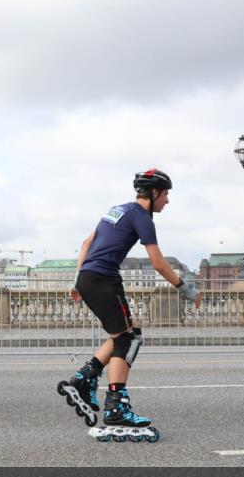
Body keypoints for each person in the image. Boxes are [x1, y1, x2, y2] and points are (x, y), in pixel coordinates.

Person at [57, 169, 201, 440]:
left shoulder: (116, 210)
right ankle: (115, 408)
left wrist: (78, 280)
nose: (167, 201)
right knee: (126, 340)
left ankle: (85, 378)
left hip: (90, 278)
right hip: (104, 280)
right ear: (154, 192)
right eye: (166, 194)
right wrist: (187, 290)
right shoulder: (142, 217)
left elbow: (87, 242)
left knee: (129, 332)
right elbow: (158, 262)